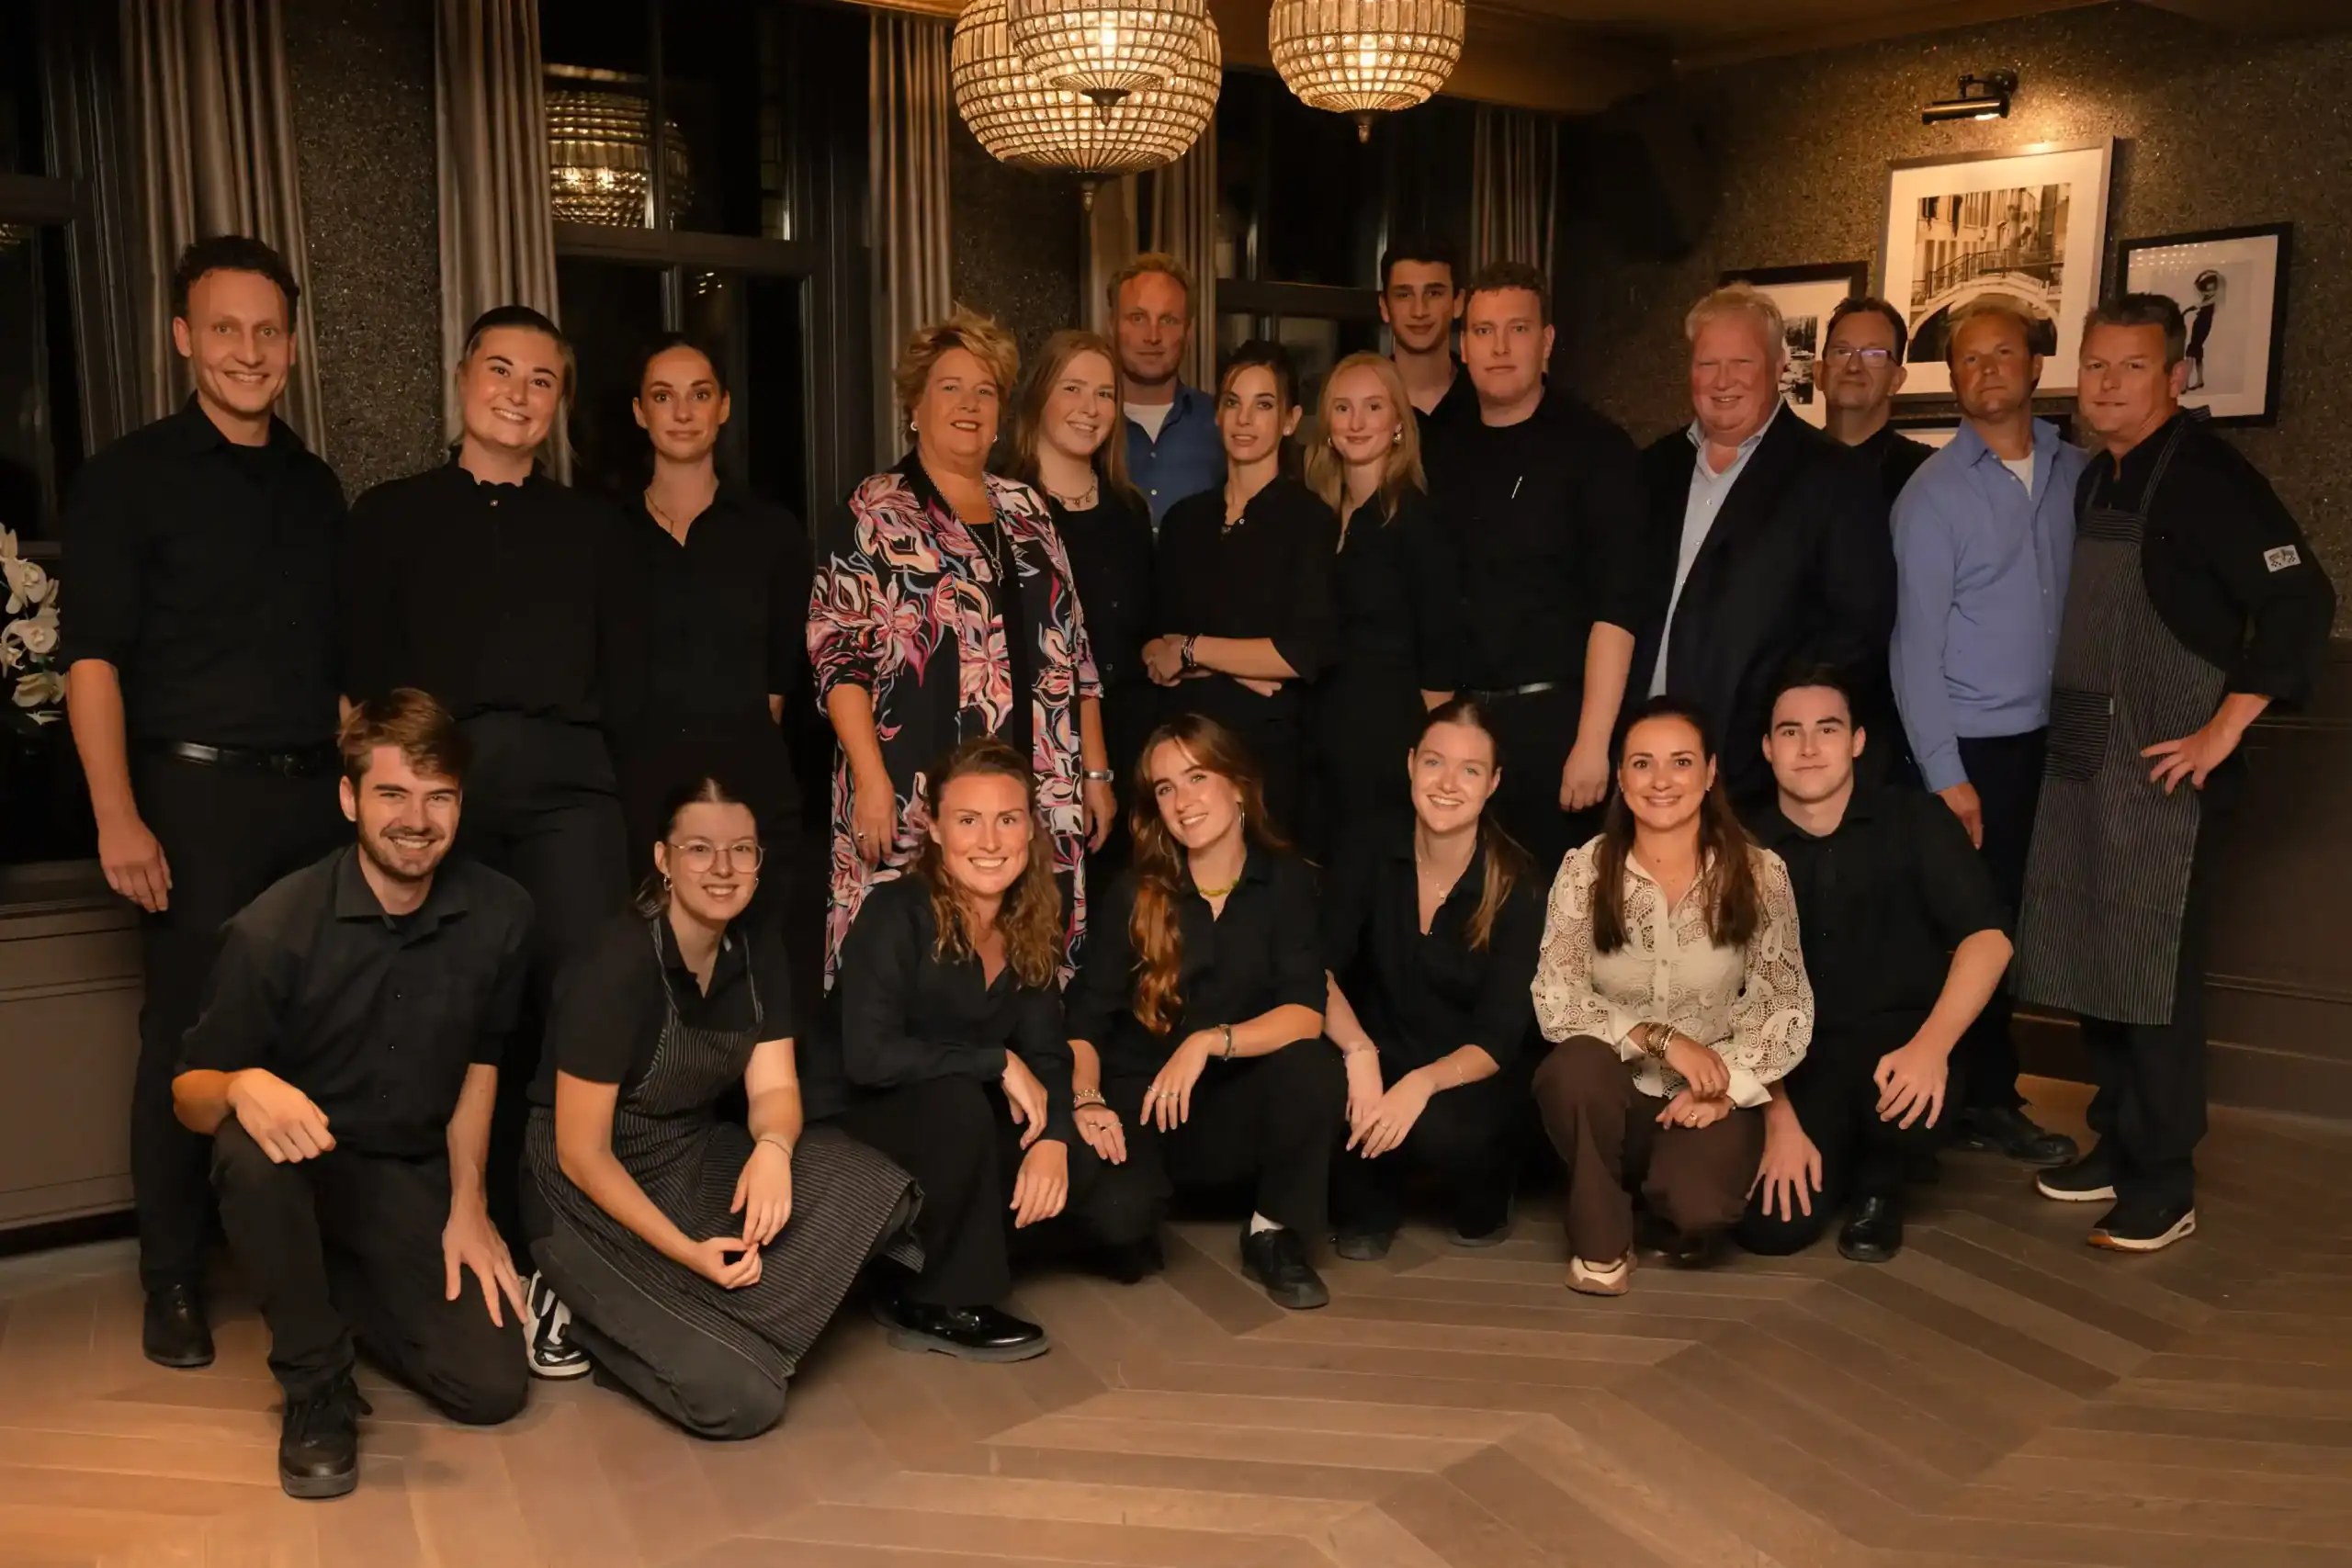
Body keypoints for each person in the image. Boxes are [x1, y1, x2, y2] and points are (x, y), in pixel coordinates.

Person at [60, 235, 350, 1371]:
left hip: (309, 802)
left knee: (309, 1032)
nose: (248, 350)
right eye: (224, 328)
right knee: (182, 1041)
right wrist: (116, 815)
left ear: (291, 345)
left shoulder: (316, 487)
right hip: (187, 802)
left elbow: (336, 669)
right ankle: (172, 1279)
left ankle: (299, 1266)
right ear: (184, 337)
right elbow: (92, 661)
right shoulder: (127, 477)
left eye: (267, 330)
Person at [2016, 294, 2334, 1253]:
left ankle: (2163, 1180)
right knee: (2094, 960)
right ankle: (2116, 1143)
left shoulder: (2207, 478)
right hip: (2086, 760)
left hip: (2164, 777)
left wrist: (2221, 730)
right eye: (2096, 365)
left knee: (2152, 978)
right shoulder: (2096, 479)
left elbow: (2302, 599)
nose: (2108, 385)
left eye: (2133, 367)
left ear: (2174, 376)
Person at [170, 691, 535, 1498]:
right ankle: (315, 1383)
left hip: (409, 1174)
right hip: (302, 1169)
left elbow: (483, 1062)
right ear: (349, 798)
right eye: (393, 793)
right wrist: (239, 1082)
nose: (417, 819)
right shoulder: (274, 927)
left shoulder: (503, 914)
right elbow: (187, 1096)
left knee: (491, 1386)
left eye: (439, 796)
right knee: (244, 1144)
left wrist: (469, 1204)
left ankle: (324, 1285)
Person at [340, 305, 632, 1228]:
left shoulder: (595, 529)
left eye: (541, 380)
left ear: (560, 403)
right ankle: (450, 1220)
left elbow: (626, 679)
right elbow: (359, 685)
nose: (518, 393)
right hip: (441, 788)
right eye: (500, 370)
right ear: (463, 378)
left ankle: (570, 1229)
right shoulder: (390, 515)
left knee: (580, 1003)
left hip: (571, 794)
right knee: (449, 1000)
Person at [520, 776, 915, 1436]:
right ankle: (577, 1308)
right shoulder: (615, 964)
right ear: (663, 859)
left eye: (741, 850)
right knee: (740, 1399)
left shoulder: (757, 946)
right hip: (585, 1186)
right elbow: (580, 1152)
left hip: (692, 1154)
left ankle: (705, 1314)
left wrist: (773, 1150)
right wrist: (686, 1252)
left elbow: (775, 1090)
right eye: (700, 849)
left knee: (874, 1190)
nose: (724, 868)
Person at [804, 739, 1156, 1359]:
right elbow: (870, 1057)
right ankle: (939, 1302)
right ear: (937, 829)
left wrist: (1053, 1137)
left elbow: (1047, 1052)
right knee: (960, 1101)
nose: (990, 841)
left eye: (1007, 819)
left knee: (1126, 1205)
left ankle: (909, 1259)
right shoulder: (895, 912)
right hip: (861, 1109)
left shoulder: (1029, 918)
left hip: (959, 1111)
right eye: (968, 820)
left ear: (1029, 829)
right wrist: (995, 1061)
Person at [808, 309, 1112, 985]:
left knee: (1028, 969)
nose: (969, 405)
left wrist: (1095, 773)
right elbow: (839, 659)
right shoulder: (874, 510)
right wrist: (870, 780)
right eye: (950, 387)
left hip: (1038, 783)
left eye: (985, 391)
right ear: (915, 406)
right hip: (911, 784)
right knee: (913, 970)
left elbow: (1075, 651)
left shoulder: (1027, 508)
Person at [1891, 293, 2089, 1168]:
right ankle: (1981, 1098)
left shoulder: (2081, 473)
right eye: (1968, 359)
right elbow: (1912, 647)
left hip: (2068, 740)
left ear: (2037, 366)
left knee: (2049, 919)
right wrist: (1946, 772)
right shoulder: (1931, 495)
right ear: (1953, 380)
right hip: (1977, 750)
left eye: (2002, 352)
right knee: (1982, 922)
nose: (1986, 370)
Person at [1528, 696, 1811, 1295]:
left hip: (1705, 1098)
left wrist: (1728, 1087)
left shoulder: (1760, 873)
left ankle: (1655, 1196)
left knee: (1700, 1210)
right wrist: (1659, 1039)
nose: (1661, 781)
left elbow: (1783, 1004)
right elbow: (1555, 993)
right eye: (1642, 763)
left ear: (1709, 774)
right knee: (1573, 1067)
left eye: (1681, 762)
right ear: (1621, 777)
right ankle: (1602, 1242)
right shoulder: (1584, 869)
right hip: (1612, 1094)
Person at [1066, 715, 1345, 1310]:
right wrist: (1087, 1100)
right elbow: (1085, 1018)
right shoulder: (1135, 890)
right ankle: (1143, 1202)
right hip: (1145, 1103)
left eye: (1197, 778)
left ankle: (1271, 1232)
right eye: (1166, 788)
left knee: (1313, 1066)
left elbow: (1306, 1012)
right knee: (1120, 1229)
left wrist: (1207, 1042)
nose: (1183, 801)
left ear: (1238, 784)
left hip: (1236, 1104)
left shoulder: (1286, 881)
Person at [1739, 670, 2012, 1263]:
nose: (1808, 747)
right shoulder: (1742, 842)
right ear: (1767, 747)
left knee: (1904, 1110)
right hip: (1791, 1059)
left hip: (1900, 1048)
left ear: (1857, 740)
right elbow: (1727, 991)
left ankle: (1883, 1181)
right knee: (1771, 1232)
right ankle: (1839, 1155)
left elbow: (1988, 940)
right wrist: (1777, 1117)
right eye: (1789, 731)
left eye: (1827, 729)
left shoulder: (1914, 819)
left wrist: (1932, 1047)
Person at [1632, 283, 1895, 810]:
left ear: (1779, 366)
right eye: (1707, 364)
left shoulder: (1834, 477)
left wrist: (1773, 727)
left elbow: (1858, 630)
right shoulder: (1651, 470)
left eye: (1741, 362)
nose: (1722, 380)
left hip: (1755, 774)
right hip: (1645, 764)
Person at [1421, 262, 1645, 876]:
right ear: (1463, 345)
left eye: (1517, 329)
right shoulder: (1436, 447)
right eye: (1483, 331)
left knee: (1557, 912)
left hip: (1559, 728)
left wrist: (1592, 744)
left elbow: (1618, 605)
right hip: (1461, 727)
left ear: (1546, 341)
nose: (1499, 347)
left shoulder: (1597, 448)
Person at [1323, 700, 1543, 1257]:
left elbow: (1498, 1040)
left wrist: (1420, 1084)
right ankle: (1378, 1181)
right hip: (1378, 1054)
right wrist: (1358, 1054)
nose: (1447, 783)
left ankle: (1484, 1186)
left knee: (1450, 1135)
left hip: (1467, 1076)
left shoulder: (1517, 882)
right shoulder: (1368, 848)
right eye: (1434, 763)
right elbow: (1316, 969)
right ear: (1410, 764)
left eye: (1470, 770)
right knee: (1323, 1097)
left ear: (1493, 783)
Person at [605, 336, 810, 911]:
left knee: (757, 953)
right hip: (637, 795)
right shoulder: (603, 534)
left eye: (699, 395)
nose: (682, 412)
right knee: (644, 953)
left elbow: (778, 688)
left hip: (750, 789)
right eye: (662, 396)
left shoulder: (772, 532)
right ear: (639, 412)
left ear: (724, 406)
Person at [1145, 341, 1339, 841]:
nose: (1245, 419)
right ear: (1217, 414)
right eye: (1233, 402)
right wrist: (1242, 663)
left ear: (1290, 421)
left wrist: (1193, 651)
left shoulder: (1309, 520)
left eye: (1264, 404)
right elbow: (1155, 646)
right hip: (1187, 755)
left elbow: (1302, 654)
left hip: (1269, 758)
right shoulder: (1185, 521)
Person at [1004, 328, 1153, 870]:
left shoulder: (1129, 510)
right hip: (1033, 745)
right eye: (1072, 389)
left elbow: (1145, 631)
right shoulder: (1002, 505)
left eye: (1105, 393)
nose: (1090, 408)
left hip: (1130, 742)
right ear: (1039, 395)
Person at [1304, 352, 1460, 852]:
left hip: (1390, 743)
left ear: (1398, 423)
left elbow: (1440, 646)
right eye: (1343, 408)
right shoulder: (1316, 516)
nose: (1356, 422)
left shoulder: (1415, 518)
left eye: (1373, 407)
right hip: (1320, 738)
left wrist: (1435, 758)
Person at [1112, 253, 1223, 526]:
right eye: (1138, 318)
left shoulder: (1223, 422)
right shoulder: (1084, 424)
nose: (1152, 336)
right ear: (1112, 325)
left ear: (1189, 332)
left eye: (1168, 320)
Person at [1815, 296, 1934, 506]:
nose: (1854, 366)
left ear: (1896, 380)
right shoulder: (1780, 469)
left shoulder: (1928, 474)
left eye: (1873, 354)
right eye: (1842, 352)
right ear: (1819, 373)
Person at [1380, 234, 1478, 438]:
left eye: (1434, 293)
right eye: (1404, 295)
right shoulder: (1361, 403)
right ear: (1385, 307)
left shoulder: (1487, 397)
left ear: (1458, 303)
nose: (1419, 311)